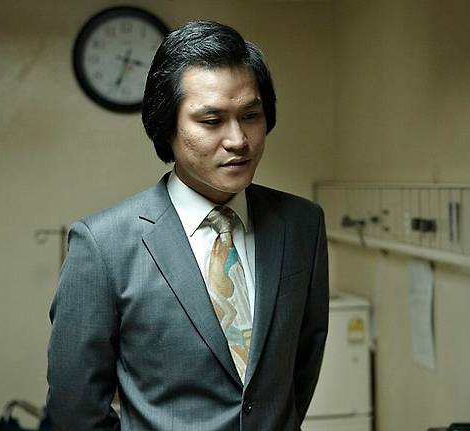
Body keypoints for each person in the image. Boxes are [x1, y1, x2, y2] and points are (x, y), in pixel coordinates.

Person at [46, 20, 328, 430]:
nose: (238, 140)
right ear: (167, 126)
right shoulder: (103, 245)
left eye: (251, 115)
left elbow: (303, 362)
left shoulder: (301, 223)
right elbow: (75, 408)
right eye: (211, 121)